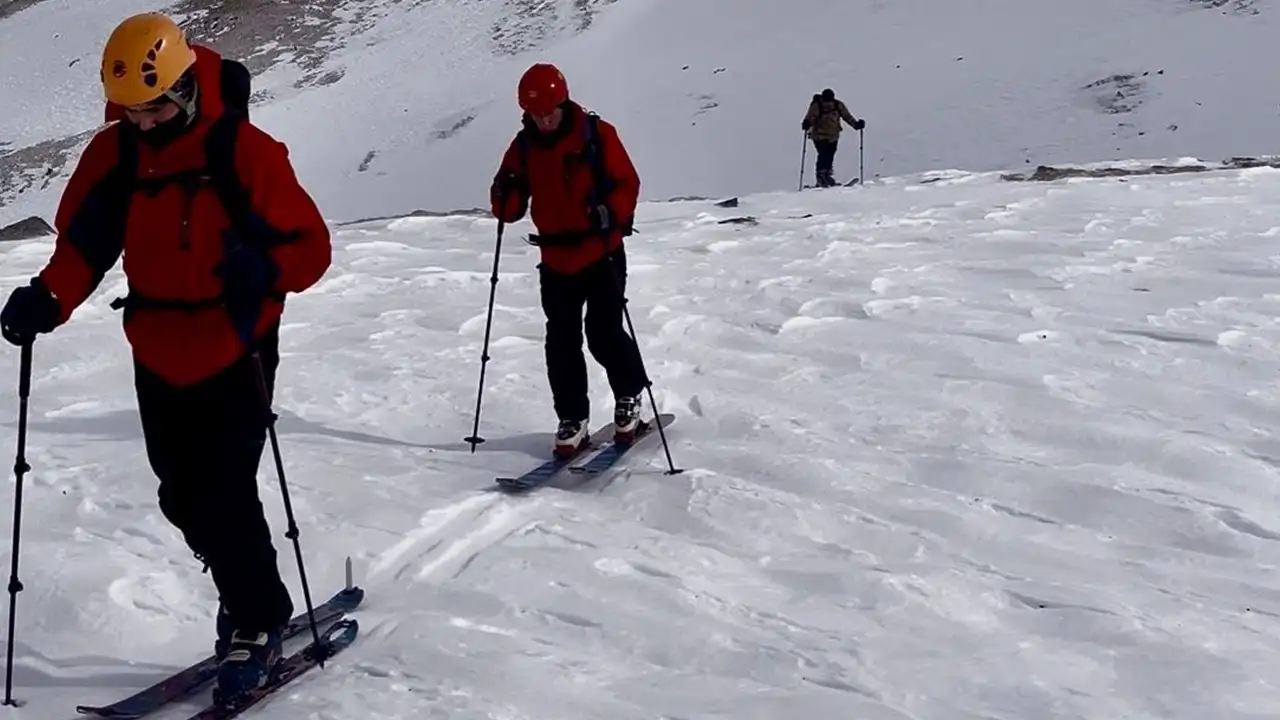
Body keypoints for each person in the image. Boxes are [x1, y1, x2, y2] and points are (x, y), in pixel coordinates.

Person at [0, 12, 331, 704]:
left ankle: (258, 619)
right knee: (180, 495)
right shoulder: (116, 153)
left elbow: (311, 248)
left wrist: (262, 270)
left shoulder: (244, 151)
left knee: (224, 489)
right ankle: (242, 594)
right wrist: (47, 300)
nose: (142, 124)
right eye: (129, 112)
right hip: (156, 345)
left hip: (237, 343)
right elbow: (85, 246)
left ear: (182, 88)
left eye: (152, 109)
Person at [489, 62, 649, 458]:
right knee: (561, 341)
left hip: (601, 251)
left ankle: (629, 396)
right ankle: (573, 418)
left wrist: (613, 210)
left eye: (548, 113)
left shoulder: (597, 134)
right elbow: (507, 205)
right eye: (535, 115)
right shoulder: (523, 145)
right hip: (555, 257)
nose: (543, 121)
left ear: (562, 102)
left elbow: (627, 181)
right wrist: (505, 194)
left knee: (604, 332)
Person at [801, 88, 865, 187]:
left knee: (829, 154)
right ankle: (823, 176)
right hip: (820, 136)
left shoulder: (836, 105)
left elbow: (846, 116)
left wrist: (856, 125)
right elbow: (811, 117)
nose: (828, 104)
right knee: (824, 154)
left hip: (832, 136)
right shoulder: (819, 106)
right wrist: (856, 125)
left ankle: (824, 176)